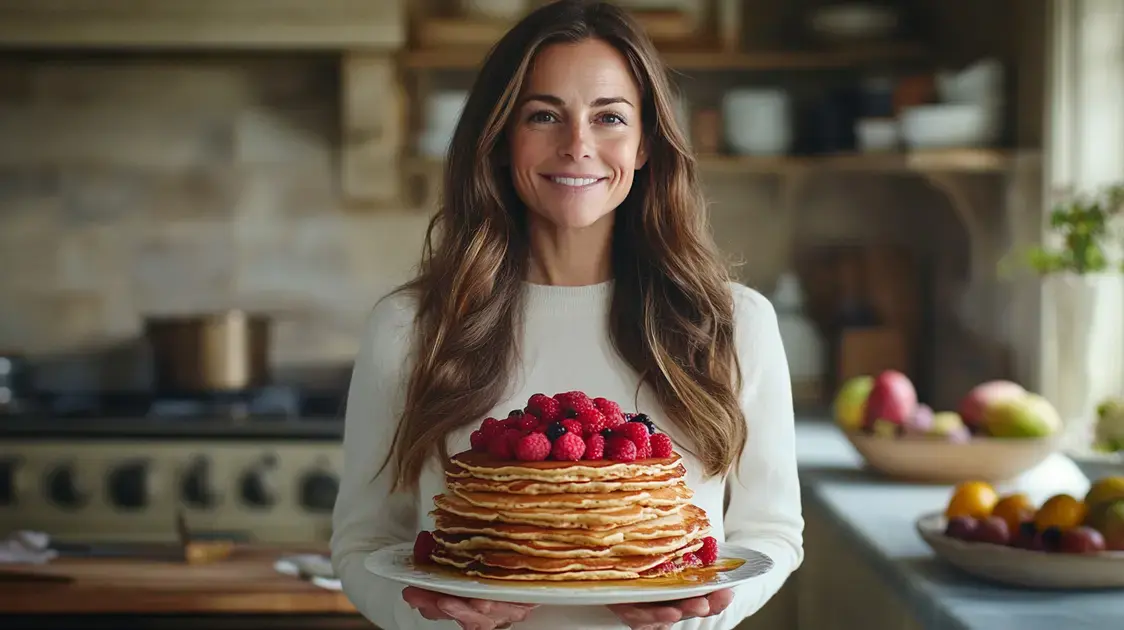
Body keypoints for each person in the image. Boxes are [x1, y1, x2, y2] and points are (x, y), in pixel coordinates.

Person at [330, 1, 804, 628]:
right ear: (499, 139)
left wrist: (695, 616)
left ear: (644, 147)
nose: (577, 145)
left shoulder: (734, 323)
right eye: (543, 115)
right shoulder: (413, 326)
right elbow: (362, 544)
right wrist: (437, 619)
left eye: (609, 117)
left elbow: (772, 530)